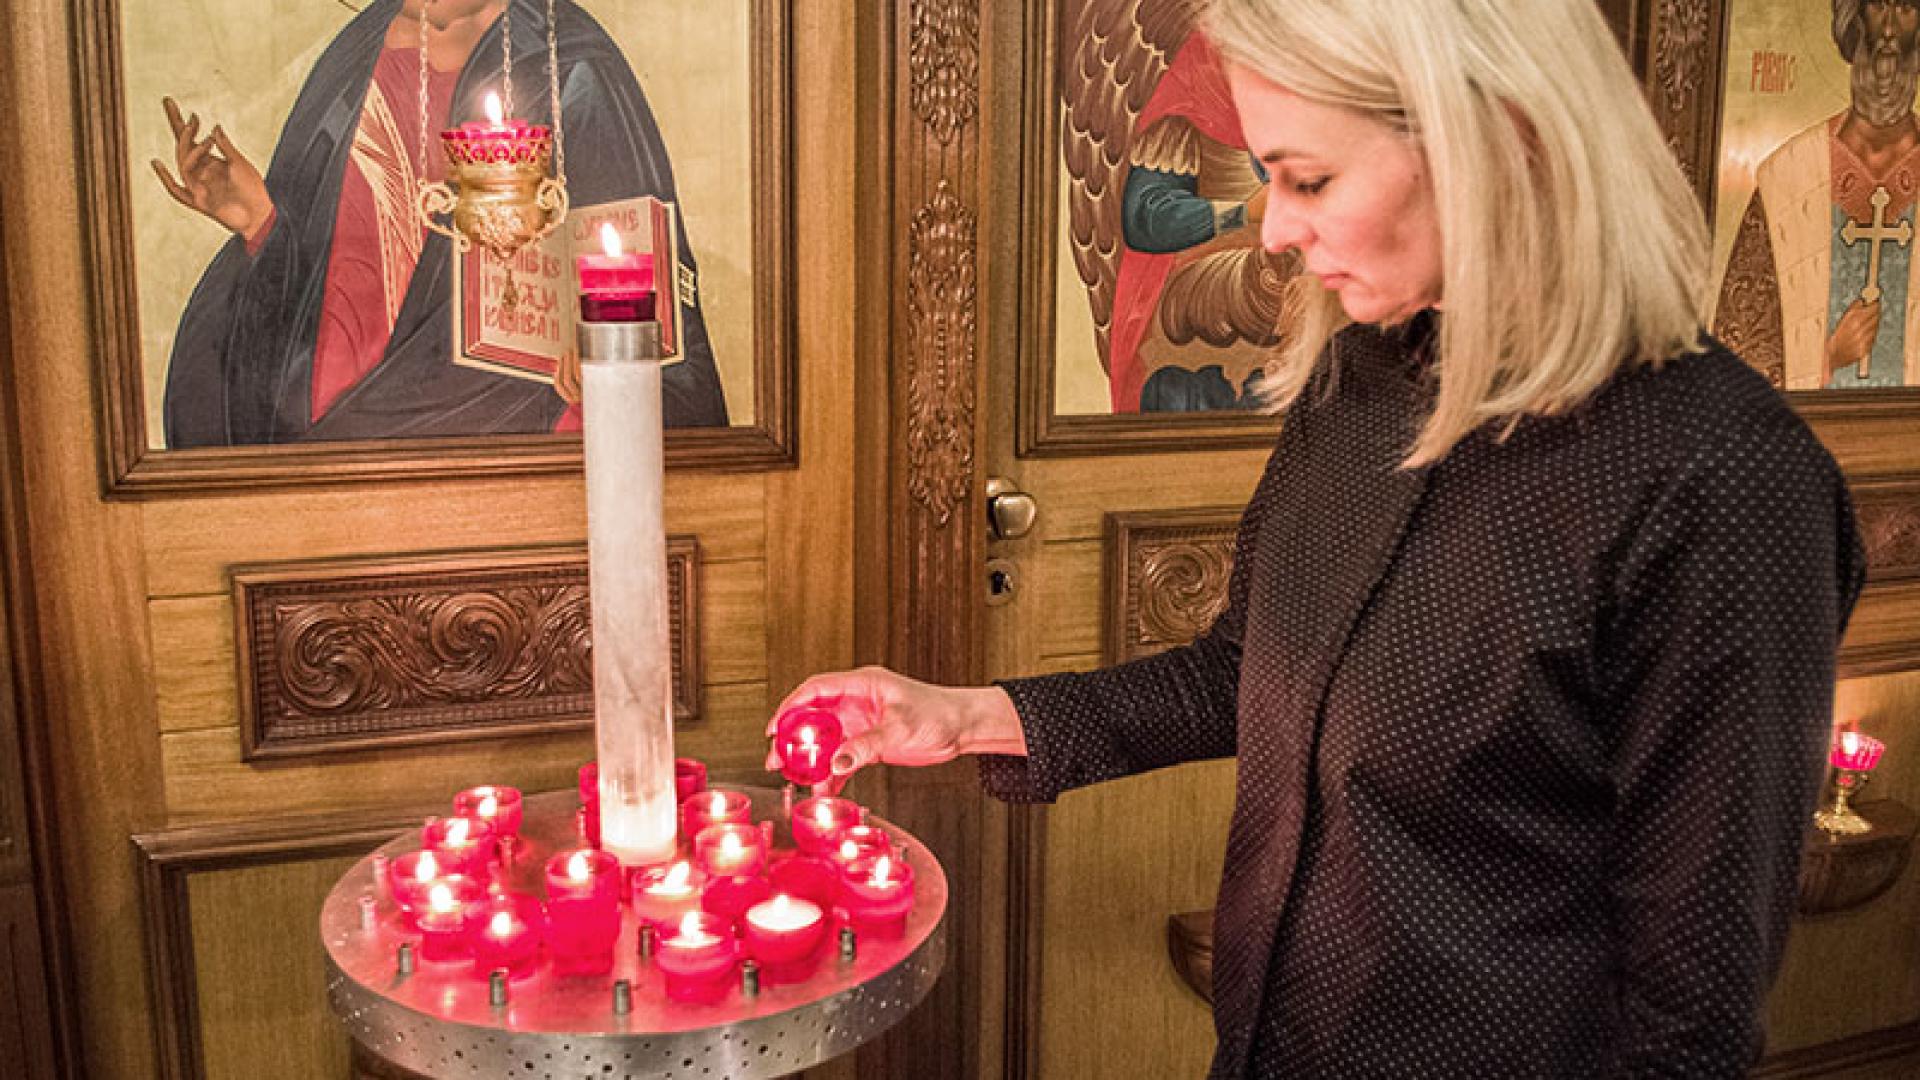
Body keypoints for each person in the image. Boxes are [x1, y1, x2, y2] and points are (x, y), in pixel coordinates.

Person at [769, 1, 1866, 1076]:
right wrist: (964, 716)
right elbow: (1246, 673)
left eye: (1310, 178)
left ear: (1496, 140)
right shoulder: (1361, 377)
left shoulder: (1720, 480)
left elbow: (1690, 1022)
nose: (1274, 230)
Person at [155, 0, 728, 447]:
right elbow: (323, 270)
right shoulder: (355, 59)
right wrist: (260, 220)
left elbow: (634, 270)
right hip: (338, 430)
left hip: (509, 417)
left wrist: (607, 351)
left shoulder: (568, 62)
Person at [1714, 0, 1920, 389]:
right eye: (1878, 6)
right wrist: (1827, 359)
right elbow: (1736, 358)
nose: (1889, 31)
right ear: (1856, 19)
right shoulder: (1788, 178)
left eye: (1906, 8)